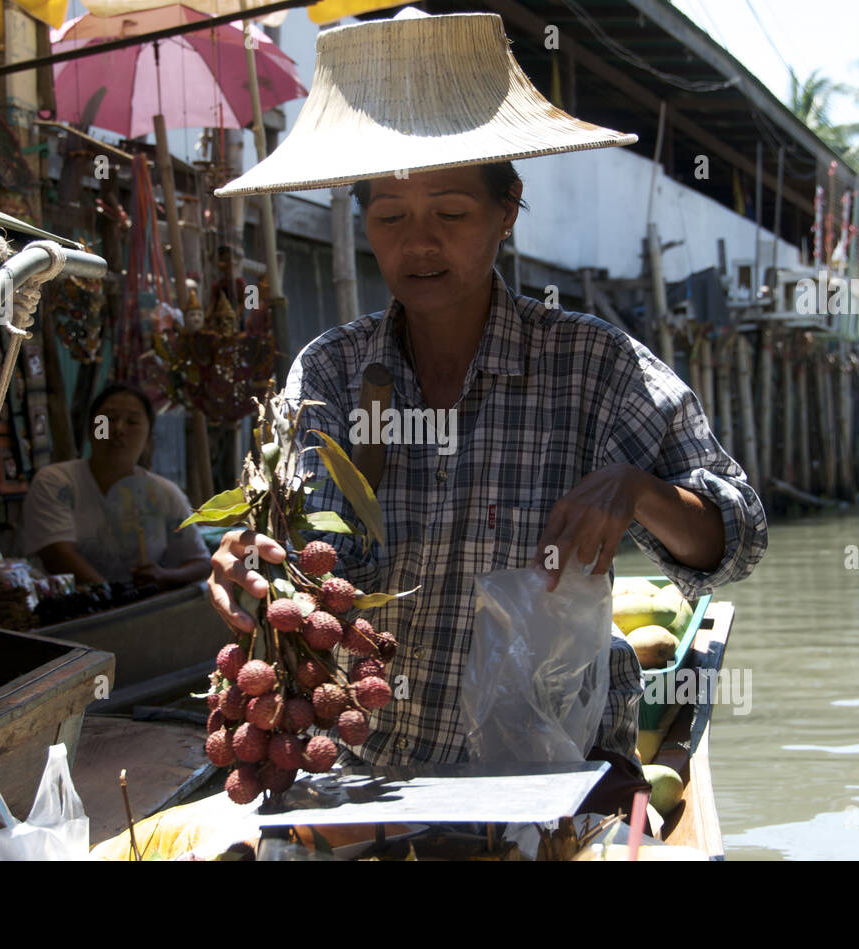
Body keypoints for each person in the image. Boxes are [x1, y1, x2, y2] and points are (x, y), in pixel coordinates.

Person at [206, 9, 766, 787]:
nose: (420, 244)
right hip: (370, 770)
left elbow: (737, 537)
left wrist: (638, 491)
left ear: (506, 211)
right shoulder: (332, 373)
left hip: (556, 770)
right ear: (365, 221)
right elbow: (289, 549)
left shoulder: (591, 366)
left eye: (452, 214)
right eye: (392, 217)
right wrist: (246, 563)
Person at [22, 382, 211, 589]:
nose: (119, 429)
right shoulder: (56, 482)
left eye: (132, 422)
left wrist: (164, 575)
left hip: (142, 610)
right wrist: (109, 597)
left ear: (148, 439)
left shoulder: (164, 494)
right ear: (91, 430)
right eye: (108, 420)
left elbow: (200, 563)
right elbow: (57, 554)